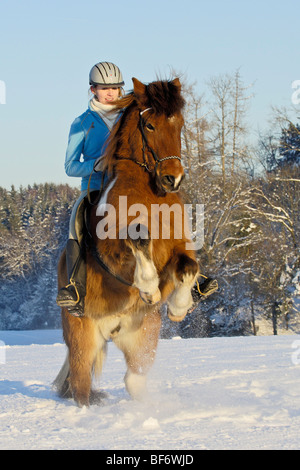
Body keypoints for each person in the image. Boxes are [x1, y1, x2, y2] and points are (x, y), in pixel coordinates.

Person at [56, 61, 124, 317]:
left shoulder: (130, 116)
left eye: (115, 88)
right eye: (104, 88)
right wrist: (95, 165)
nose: (110, 93)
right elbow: (70, 167)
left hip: (127, 186)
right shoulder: (82, 123)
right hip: (95, 190)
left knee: (166, 212)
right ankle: (75, 288)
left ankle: (190, 278)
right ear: (93, 89)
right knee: (76, 226)